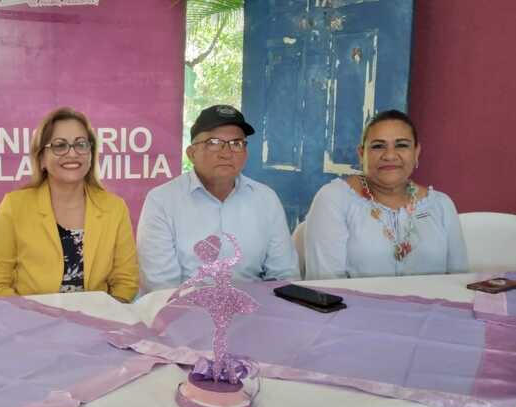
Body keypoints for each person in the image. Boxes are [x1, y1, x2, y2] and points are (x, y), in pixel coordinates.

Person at [0, 107, 139, 302]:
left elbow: (125, 282)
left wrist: (106, 316)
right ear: (41, 159)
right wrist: (30, 317)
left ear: (91, 154)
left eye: (81, 144)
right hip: (29, 318)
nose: (72, 153)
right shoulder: (14, 206)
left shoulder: (115, 208)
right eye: (59, 145)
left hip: (99, 319)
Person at [137, 104, 299, 292]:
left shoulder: (266, 199)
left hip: (255, 305)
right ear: (191, 153)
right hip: (182, 307)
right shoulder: (162, 201)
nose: (226, 153)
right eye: (214, 143)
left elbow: (284, 275)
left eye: (236, 144)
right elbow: (160, 287)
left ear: (246, 153)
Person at [303, 109, 468, 280]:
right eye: (378, 146)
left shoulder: (441, 205)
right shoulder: (334, 199)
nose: (389, 156)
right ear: (361, 154)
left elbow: (460, 281)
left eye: (401, 145)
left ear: (416, 152)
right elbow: (325, 287)